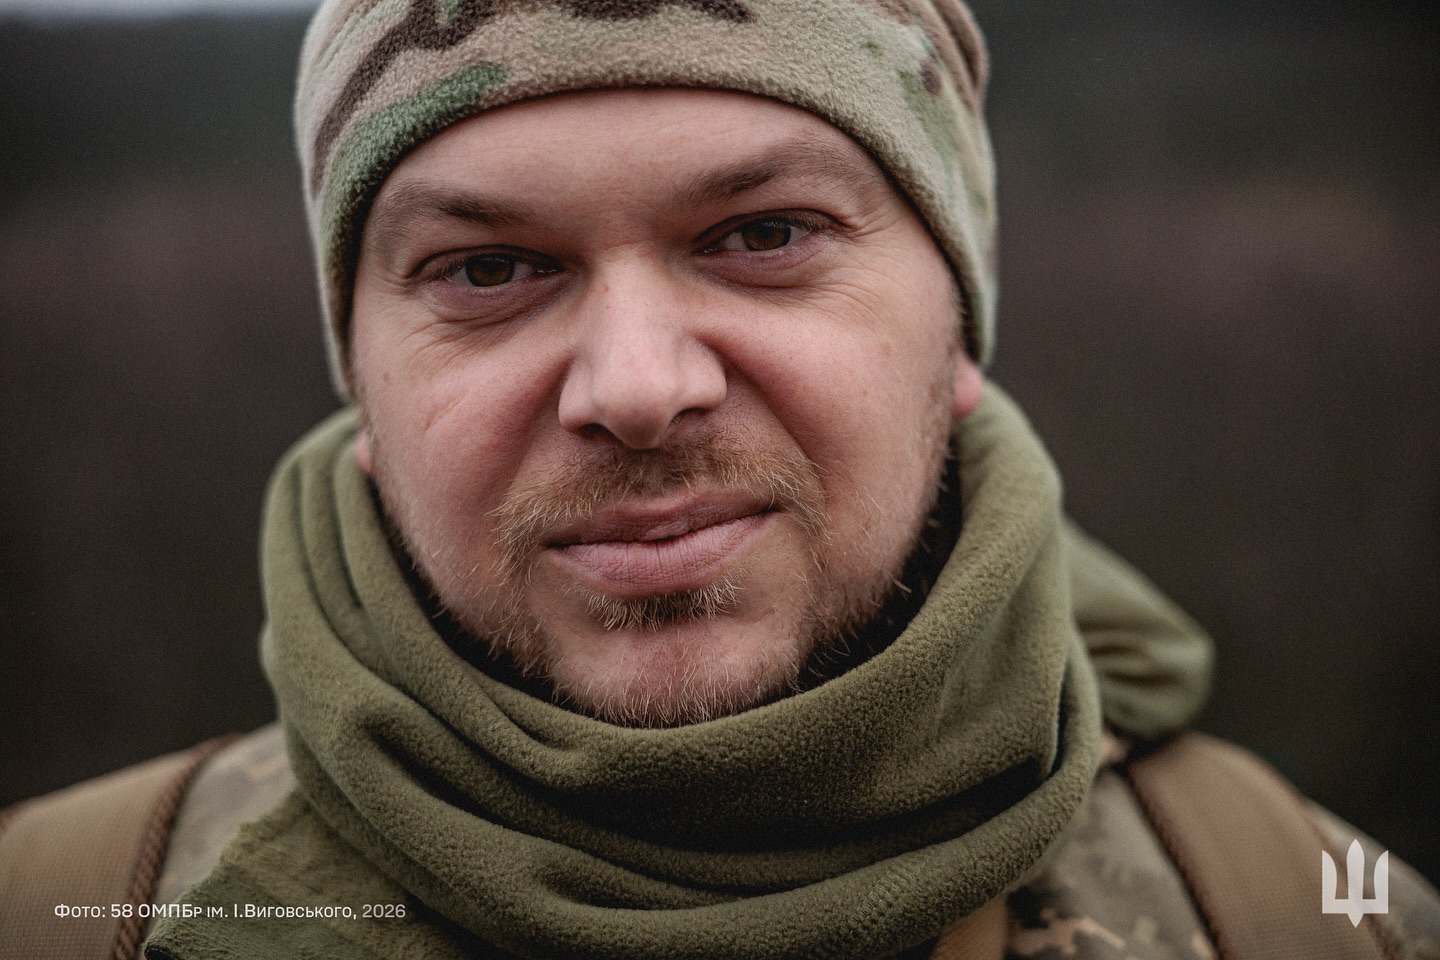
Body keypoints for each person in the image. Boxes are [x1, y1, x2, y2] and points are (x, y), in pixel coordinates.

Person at [1, 1, 1436, 958]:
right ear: (361, 384)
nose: (637, 388)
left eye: (764, 235)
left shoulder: (1303, 911)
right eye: (488, 269)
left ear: (957, 327)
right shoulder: (61, 909)